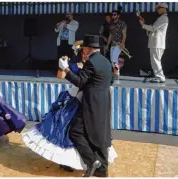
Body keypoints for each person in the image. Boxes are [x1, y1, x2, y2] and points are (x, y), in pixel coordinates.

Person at [22, 41, 117, 173]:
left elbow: (88, 81)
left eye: (84, 50)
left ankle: (92, 164)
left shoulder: (92, 64)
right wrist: (63, 67)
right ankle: (71, 162)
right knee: (65, 132)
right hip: (76, 100)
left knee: (81, 132)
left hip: (86, 102)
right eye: (82, 51)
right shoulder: (76, 64)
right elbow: (60, 76)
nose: (84, 54)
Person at [59, 35, 113, 177]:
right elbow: (110, 80)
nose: (82, 49)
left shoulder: (91, 62)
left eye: (84, 47)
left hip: (91, 103)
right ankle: (102, 170)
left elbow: (80, 82)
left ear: (88, 47)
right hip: (104, 101)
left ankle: (93, 161)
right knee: (100, 134)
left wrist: (66, 70)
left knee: (75, 131)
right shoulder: (106, 61)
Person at [139, 3, 169, 83]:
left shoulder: (163, 18)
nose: (157, 10)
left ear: (163, 8)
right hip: (156, 43)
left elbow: (153, 28)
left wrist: (143, 25)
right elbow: (153, 29)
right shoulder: (162, 18)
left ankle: (160, 77)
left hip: (157, 44)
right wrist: (144, 24)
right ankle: (159, 76)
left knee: (156, 61)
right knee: (155, 61)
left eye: (159, 8)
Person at [106, 6, 127, 77]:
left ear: (118, 15)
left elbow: (124, 34)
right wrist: (107, 45)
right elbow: (110, 35)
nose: (113, 16)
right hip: (112, 44)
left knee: (114, 59)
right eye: (112, 14)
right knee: (112, 59)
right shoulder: (111, 24)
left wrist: (123, 43)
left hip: (119, 44)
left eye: (114, 14)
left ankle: (116, 73)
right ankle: (117, 72)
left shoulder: (122, 23)